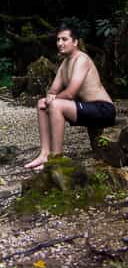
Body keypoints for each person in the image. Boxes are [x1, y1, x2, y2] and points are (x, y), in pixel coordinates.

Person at [24, 23, 116, 170]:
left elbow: (71, 92)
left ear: (75, 42)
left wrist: (53, 100)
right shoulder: (64, 64)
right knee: (41, 103)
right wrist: (49, 98)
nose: (60, 43)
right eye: (58, 40)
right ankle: (44, 154)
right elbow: (52, 91)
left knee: (55, 104)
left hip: (103, 109)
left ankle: (56, 158)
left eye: (64, 39)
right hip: (86, 108)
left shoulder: (81, 59)